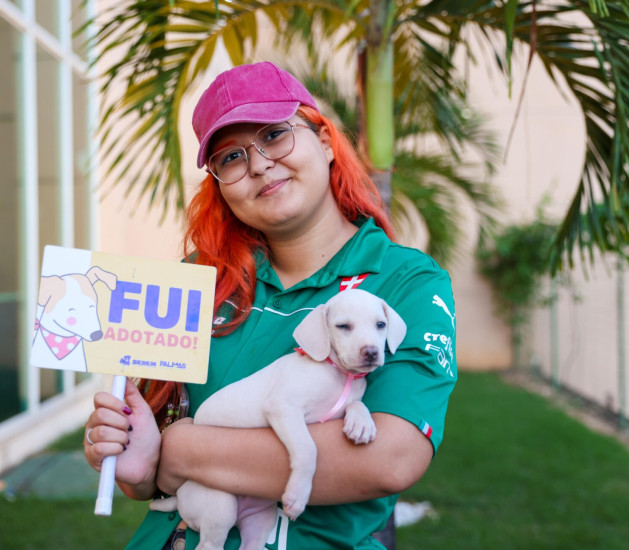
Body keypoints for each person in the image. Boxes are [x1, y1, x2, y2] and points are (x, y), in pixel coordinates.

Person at [83, 61, 458, 550]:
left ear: (325, 141)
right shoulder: (191, 282)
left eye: (276, 134)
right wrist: (137, 463)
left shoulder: (407, 280)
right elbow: (151, 475)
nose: (258, 164)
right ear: (219, 184)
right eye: (231, 157)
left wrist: (182, 449)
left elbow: (388, 459)